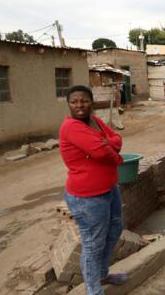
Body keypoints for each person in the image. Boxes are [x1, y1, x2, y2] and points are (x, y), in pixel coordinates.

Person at [59, 85, 128, 295]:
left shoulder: (95, 121)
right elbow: (101, 152)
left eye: (84, 101)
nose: (79, 105)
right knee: (92, 244)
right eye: (74, 102)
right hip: (87, 198)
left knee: (115, 230)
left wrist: (109, 145)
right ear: (69, 105)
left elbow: (117, 139)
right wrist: (116, 157)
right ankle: (93, 290)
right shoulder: (71, 127)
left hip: (109, 189)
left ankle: (101, 273)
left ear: (91, 102)